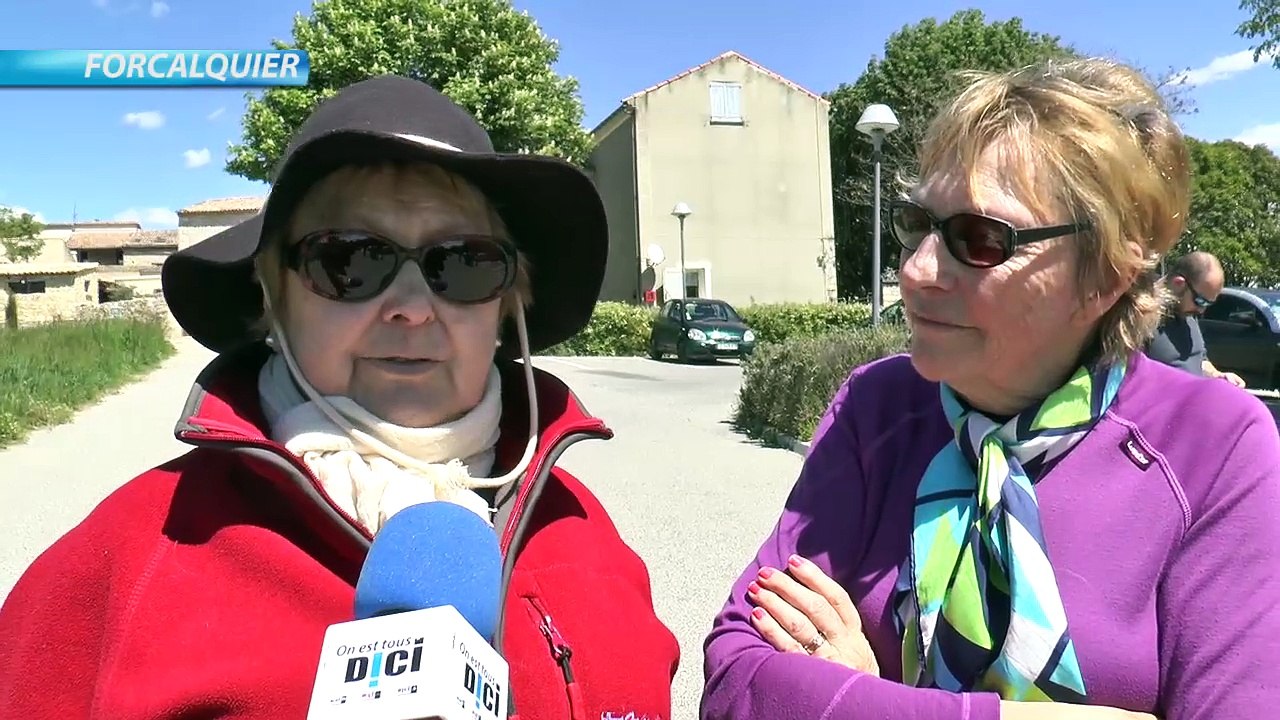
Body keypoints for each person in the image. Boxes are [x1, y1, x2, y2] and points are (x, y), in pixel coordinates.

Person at [0, 76, 679, 720]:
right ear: (272, 295)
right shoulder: (125, 561)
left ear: (508, 302)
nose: (413, 307)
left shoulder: (589, 538)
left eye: (464, 263)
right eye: (352, 259)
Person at [701, 57, 1280, 720]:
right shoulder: (878, 406)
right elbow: (735, 681)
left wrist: (860, 699)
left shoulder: (1214, 444)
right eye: (919, 223)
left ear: (1106, 277)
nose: (917, 270)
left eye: (980, 239)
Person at [1146, 251, 1246, 387]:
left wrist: (1218, 375)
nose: (1201, 310)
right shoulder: (1143, 317)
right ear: (1178, 283)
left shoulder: (1188, 315)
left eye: (1208, 304)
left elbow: (1200, 360)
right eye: (1200, 301)